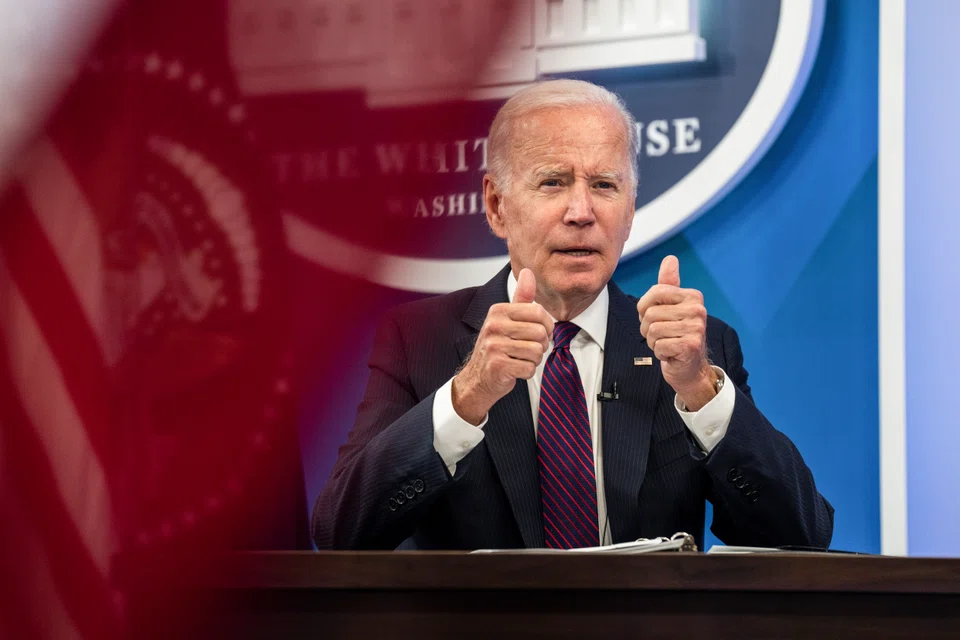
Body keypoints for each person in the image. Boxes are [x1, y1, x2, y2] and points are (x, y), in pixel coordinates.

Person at [312, 79, 833, 551]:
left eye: (604, 185)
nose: (582, 212)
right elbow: (342, 532)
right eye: (553, 183)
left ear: (630, 210)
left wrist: (701, 391)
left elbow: (802, 534)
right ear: (496, 205)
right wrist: (468, 395)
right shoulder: (420, 339)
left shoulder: (696, 350)